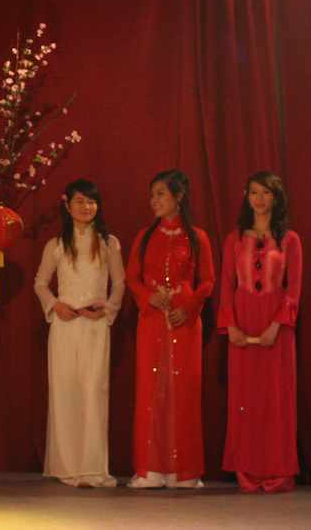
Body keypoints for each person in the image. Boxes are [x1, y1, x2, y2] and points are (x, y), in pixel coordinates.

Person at [125, 169, 214, 489]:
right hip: (152, 321)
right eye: (152, 195)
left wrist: (188, 308)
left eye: (160, 194)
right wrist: (149, 297)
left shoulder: (198, 237)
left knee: (184, 391)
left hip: (184, 322)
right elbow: (132, 277)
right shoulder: (144, 237)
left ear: (179, 196)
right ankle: (150, 469)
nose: (154, 200)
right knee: (151, 390)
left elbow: (207, 281)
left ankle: (183, 471)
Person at [33, 179, 125, 488]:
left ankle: (92, 468)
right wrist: (55, 305)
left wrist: (107, 308)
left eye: (91, 201)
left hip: (95, 325)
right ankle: (66, 466)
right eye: (80, 201)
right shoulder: (56, 245)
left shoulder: (109, 242)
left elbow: (120, 283)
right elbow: (40, 283)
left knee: (93, 392)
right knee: (64, 391)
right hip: (64, 325)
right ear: (67, 205)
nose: (86, 207)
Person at [217, 171, 301, 493]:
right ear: (247, 197)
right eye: (254, 192)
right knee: (245, 398)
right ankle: (248, 470)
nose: (260, 199)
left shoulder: (290, 240)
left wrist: (277, 326)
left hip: (276, 326)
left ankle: (277, 470)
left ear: (276, 198)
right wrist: (230, 325)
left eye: (266, 193)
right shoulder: (234, 239)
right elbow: (226, 286)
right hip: (242, 322)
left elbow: (293, 290)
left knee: (275, 398)